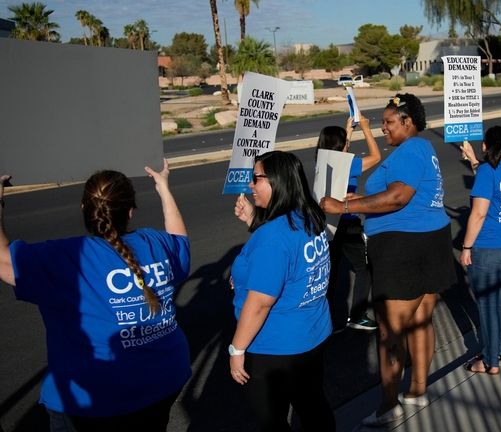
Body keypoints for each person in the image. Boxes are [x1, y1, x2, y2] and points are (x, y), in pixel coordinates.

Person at [0, 162, 191, 431]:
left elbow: (4, 260)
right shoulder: (156, 242)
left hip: (96, 401)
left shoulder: (67, 256)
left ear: (84, 210)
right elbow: (179, 239)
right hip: (164, 381)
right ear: (131, 211)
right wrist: (163, 188)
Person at [319, 93, 455, 426]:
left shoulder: (408, 151)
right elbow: (406, 194)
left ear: (408, 122)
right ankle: (418, 389)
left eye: (389, 122)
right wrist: (364, 199)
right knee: (421, 319)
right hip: (431, 240)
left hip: (403, 247)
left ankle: (388, 405)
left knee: (390, 332)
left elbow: (398, 197)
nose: (383, 129)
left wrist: (345, 207)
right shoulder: (423, 148)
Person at [228, 151, 335, 431]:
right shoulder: (311, 216)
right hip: (311, 336)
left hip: (274, 346)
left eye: (257, 178)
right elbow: (293, 264)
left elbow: (260, 303)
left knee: (271, 420)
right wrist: (254, 221)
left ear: (278, 181)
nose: (251, 185)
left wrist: (237, 349)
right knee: (313, 407)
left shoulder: (273, 237)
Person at [460, 126, 501, 375]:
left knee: (487, 305)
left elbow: (479, 213)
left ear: (485, 146)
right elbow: (493, 182)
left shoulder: (488, 171)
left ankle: (490, 360)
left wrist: (466, 247)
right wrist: (473, 161)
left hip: (488, 248)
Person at [317, 115, 381, 332]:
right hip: (347, 221)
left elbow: (341, 152)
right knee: (365, 268)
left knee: (330, 273)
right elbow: (376, 156)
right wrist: (365, 128)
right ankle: (358, 315)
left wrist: (347, 131)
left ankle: (325, 321)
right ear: (342, 145)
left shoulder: (323, 160)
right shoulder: (350, 165)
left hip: (326, 223)